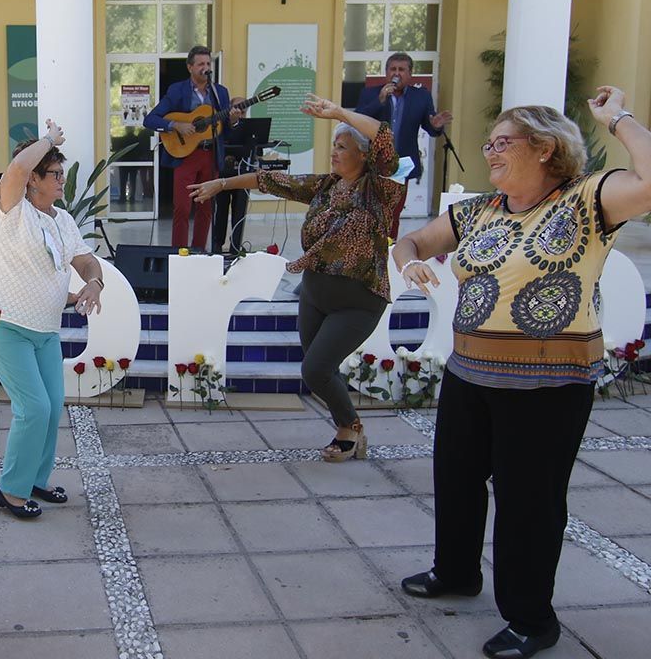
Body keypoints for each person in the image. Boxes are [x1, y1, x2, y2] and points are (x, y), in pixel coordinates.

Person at [392, 90, 651, 659]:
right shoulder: (480, 209)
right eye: (489, 142)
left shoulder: (586, 199)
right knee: (457, 482)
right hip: (470, 374)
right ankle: (456, 573)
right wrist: (408, 259)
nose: (490, 151)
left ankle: (532, 619)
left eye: (502, 141)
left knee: (528, 503)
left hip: (547, 387)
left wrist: (619, 120)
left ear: (544, 147)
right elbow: (411, 238)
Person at [190, 94, 403, 461]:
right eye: (334, 145)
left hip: (358, 301)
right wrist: (221, 184)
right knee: (319, 369)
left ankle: (348, 428)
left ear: (364, 155)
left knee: (315, 368)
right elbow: (270, 180)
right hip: (315, 295)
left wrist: (338, 112)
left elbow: (383, 135)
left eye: (342, 146)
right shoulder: (323, 186)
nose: (334, 153)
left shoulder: (380, 190)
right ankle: (349, 423)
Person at [0, 120, 104, 518]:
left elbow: (83, 259)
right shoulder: (10, 208)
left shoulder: (62, 219)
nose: (62, 181)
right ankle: (10, 490)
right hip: (6, 326)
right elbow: (14, 169)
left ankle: (34, 479)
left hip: (46, 330)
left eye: (63, 174)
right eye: (55, 174)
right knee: (32, 408)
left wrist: (94, 282)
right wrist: (48, 140)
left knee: (51, 405)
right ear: (33, 178)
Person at [144, 45, 243, 248]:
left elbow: (227, 132)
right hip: (185, 155)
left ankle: (199, 251)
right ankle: (178, 253)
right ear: (190, 67)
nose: (205, 68)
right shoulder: (177, 90)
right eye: (200, 64)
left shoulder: (220, 93)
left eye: (208, 64)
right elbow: (150, 119)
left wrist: (233, 121)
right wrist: (175, 125)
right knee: (181, 207)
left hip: (211, 154)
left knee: (206, 207)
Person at [354, 52, 453, 236]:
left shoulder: (421, 97)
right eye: (392, 69)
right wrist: (380, 100)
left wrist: (435, 125)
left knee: (394, 213)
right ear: (386, 72)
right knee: (370, 212)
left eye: (401, 69)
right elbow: (358, 121)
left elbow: (430, 128)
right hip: (374, 164)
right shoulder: (370, 94)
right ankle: (367, 251)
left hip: (401, 165)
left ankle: (389, 252)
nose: (396, 74)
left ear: (410, 74)